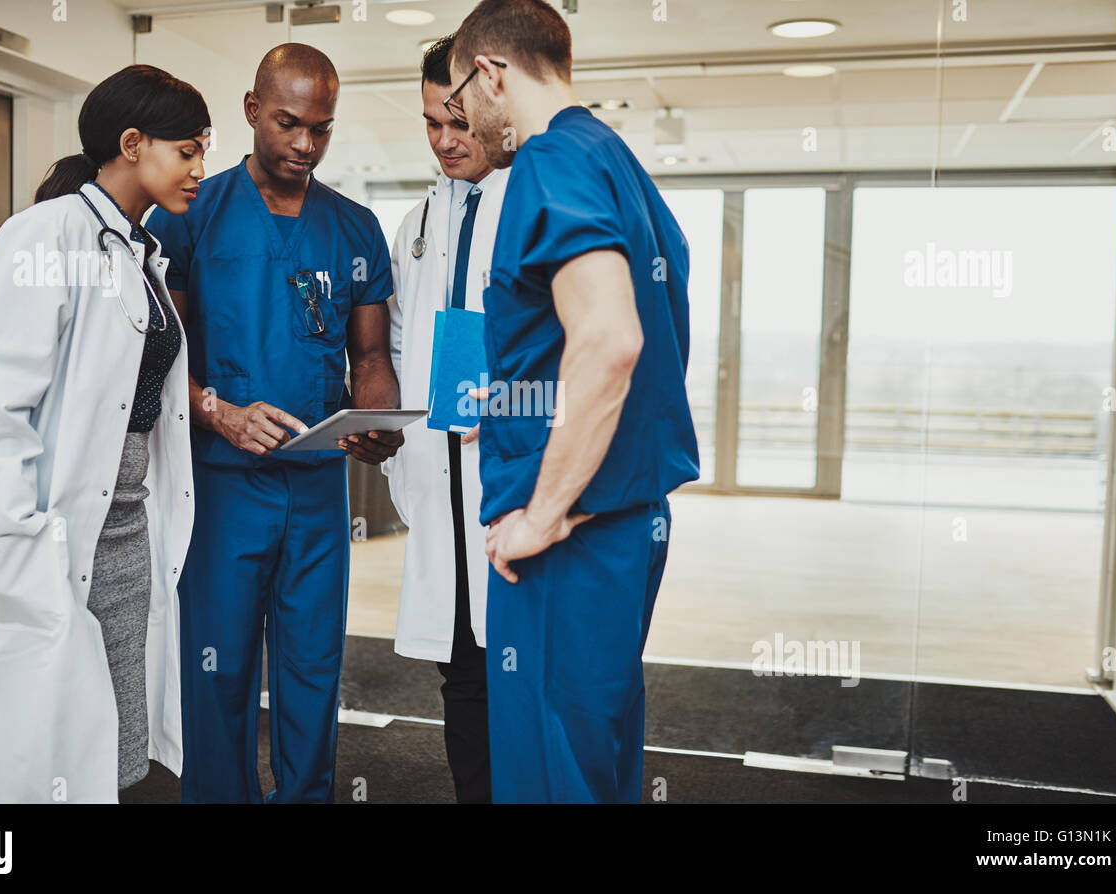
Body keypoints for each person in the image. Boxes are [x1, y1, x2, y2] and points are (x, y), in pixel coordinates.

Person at [0, 65, 208, 803]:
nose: (201, 169)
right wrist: (26, 535)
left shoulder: (137, 251)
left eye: (205, 150)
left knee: (115, 743)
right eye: (187, 150)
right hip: (51, 542)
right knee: (32, 756)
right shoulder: (44, 237)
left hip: (125, 534)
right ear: (132, 144)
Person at [448, 0, 701, 803]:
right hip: (627, 521)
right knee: (597, 758)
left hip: (569, 540)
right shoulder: (615, 160)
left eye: (459, 102)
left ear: (490, 75)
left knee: (551, 775)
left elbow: (610, 338)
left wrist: (544, 511)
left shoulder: (550, 162)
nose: (463, 124)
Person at [145, 43, 401, 804]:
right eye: (289, 123)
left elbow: (371, 352)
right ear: (253, 111)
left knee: (313, 667)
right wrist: (214, 410)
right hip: (223, 486)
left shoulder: (355, 228)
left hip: (320, 488)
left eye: (321, 129)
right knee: (216, 665)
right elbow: (158, 355)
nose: (304, 144)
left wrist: (379, 419)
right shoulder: (191, 217)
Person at [382, 34, 508, 804]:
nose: (445, 140)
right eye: (432, 122)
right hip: (441, 483)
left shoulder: (531, 204)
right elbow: (400, 342)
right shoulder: (417, 224)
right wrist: (387, 435)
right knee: (460, 676)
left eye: (459, 122)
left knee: (518, 673)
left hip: (508, 483)